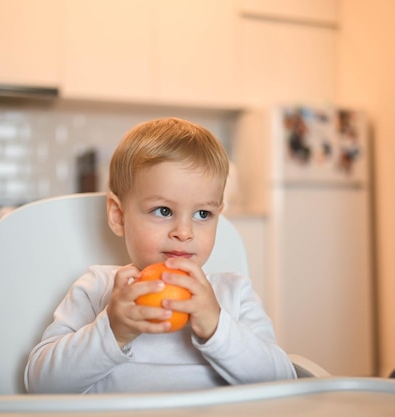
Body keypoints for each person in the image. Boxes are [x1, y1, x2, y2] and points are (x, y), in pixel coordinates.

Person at [24, 117, 296, 394]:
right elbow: (41, 385)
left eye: (203, 214)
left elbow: (282, 380)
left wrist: (217, 327)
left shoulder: (233, 294)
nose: (184, 232)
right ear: (118, 216)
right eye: (163, 211)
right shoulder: (98, 289)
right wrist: (112, 331)